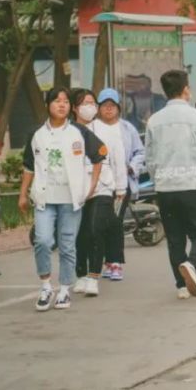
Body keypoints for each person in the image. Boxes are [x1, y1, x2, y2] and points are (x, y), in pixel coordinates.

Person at [19, 87, 107, 312]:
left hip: (71, 199)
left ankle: (65, 289)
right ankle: (46, 286)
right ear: (48, 105)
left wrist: (92, 185)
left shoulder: (79, 132)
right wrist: (22, 194)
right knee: (42, 240)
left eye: (66, 102)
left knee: (67, 244)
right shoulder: (36, 134)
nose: (62, 105)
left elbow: (100, 154)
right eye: (57, 101)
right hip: (45, 198)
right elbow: (29, 166)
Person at [146, 69, 196, 299]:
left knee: (175, 238)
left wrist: (158, 178)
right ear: (186, 89)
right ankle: (191, 264)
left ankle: (181, 286)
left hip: (165, 188)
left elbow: (149, 158)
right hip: (191, 184)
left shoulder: (154, 120)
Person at [71, 89, 127, 298]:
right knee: (80, 233)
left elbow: (118, 160)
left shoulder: (107, 130)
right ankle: (81, 274)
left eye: (92, 102)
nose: (90, 107)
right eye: (85, 103)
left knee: (96, 229)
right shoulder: (67, 132)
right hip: (75, 189)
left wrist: (120, 188)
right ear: (75, 108)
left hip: (102, 187)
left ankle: (94, 276)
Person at [97, 88, 144, 282]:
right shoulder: (93, 128)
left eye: (112, 106)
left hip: (121, 185)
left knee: (115, 222)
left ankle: (115, 262)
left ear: (118, 108)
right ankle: (103, 261)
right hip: (98, 185)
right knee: (101, 223)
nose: (108, 109)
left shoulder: (127, 128)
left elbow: (140, 152)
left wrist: (131, 167)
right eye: (104, 106)